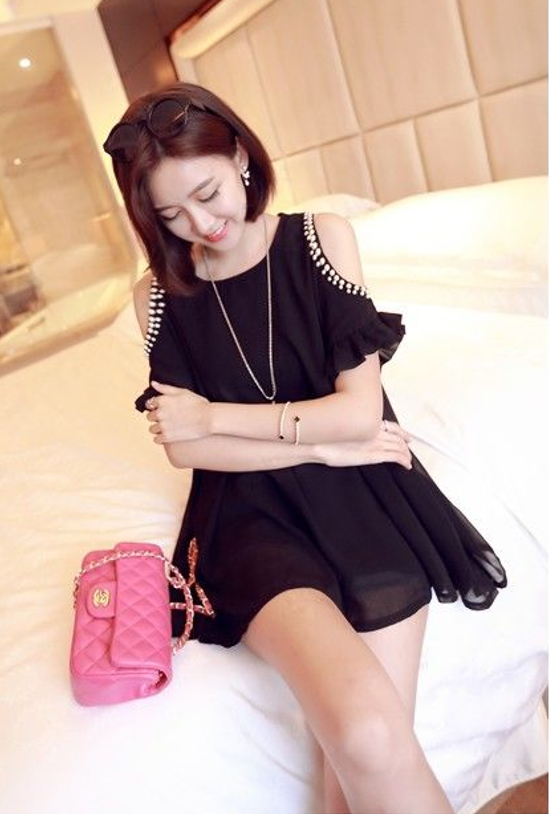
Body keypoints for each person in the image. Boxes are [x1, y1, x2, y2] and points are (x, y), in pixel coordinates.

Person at [103, 82, 507, 814]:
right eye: (170, 214)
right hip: (248, 516)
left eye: (208, 193)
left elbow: (358, 413)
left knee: (360, 751)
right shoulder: (157, 295)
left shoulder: (322, 241)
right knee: (364, 729)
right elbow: (189, 453)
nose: (201, 224)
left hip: (370, 494)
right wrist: (318, 449)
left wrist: (215, 415)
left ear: (240, 155)